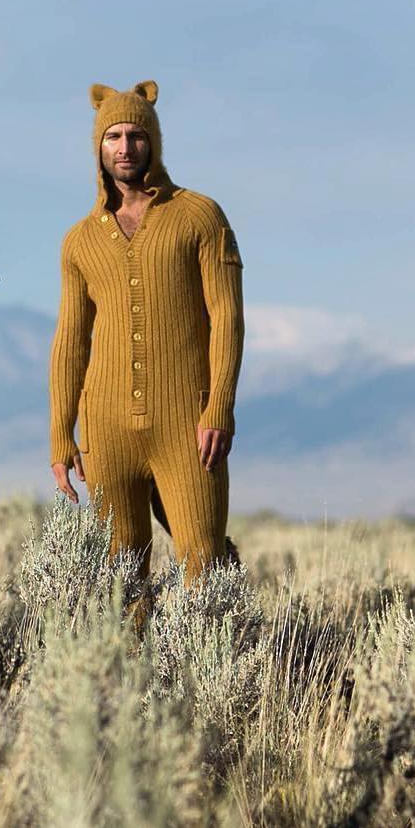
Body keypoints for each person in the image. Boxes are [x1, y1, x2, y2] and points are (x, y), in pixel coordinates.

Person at [49, 82, 243, 581]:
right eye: (113, 136)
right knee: (120, 574)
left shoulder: (199, 216)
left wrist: (219, 405)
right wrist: (59, 435)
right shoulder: (80, 240)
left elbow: (226, 316)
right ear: (99, 147)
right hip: (105, 431)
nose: (125, 147)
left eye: (136, 135)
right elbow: (71, 341)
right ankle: (127, 663)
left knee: (205, 563)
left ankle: (213, 659)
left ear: (152, 141)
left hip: (187, 426)